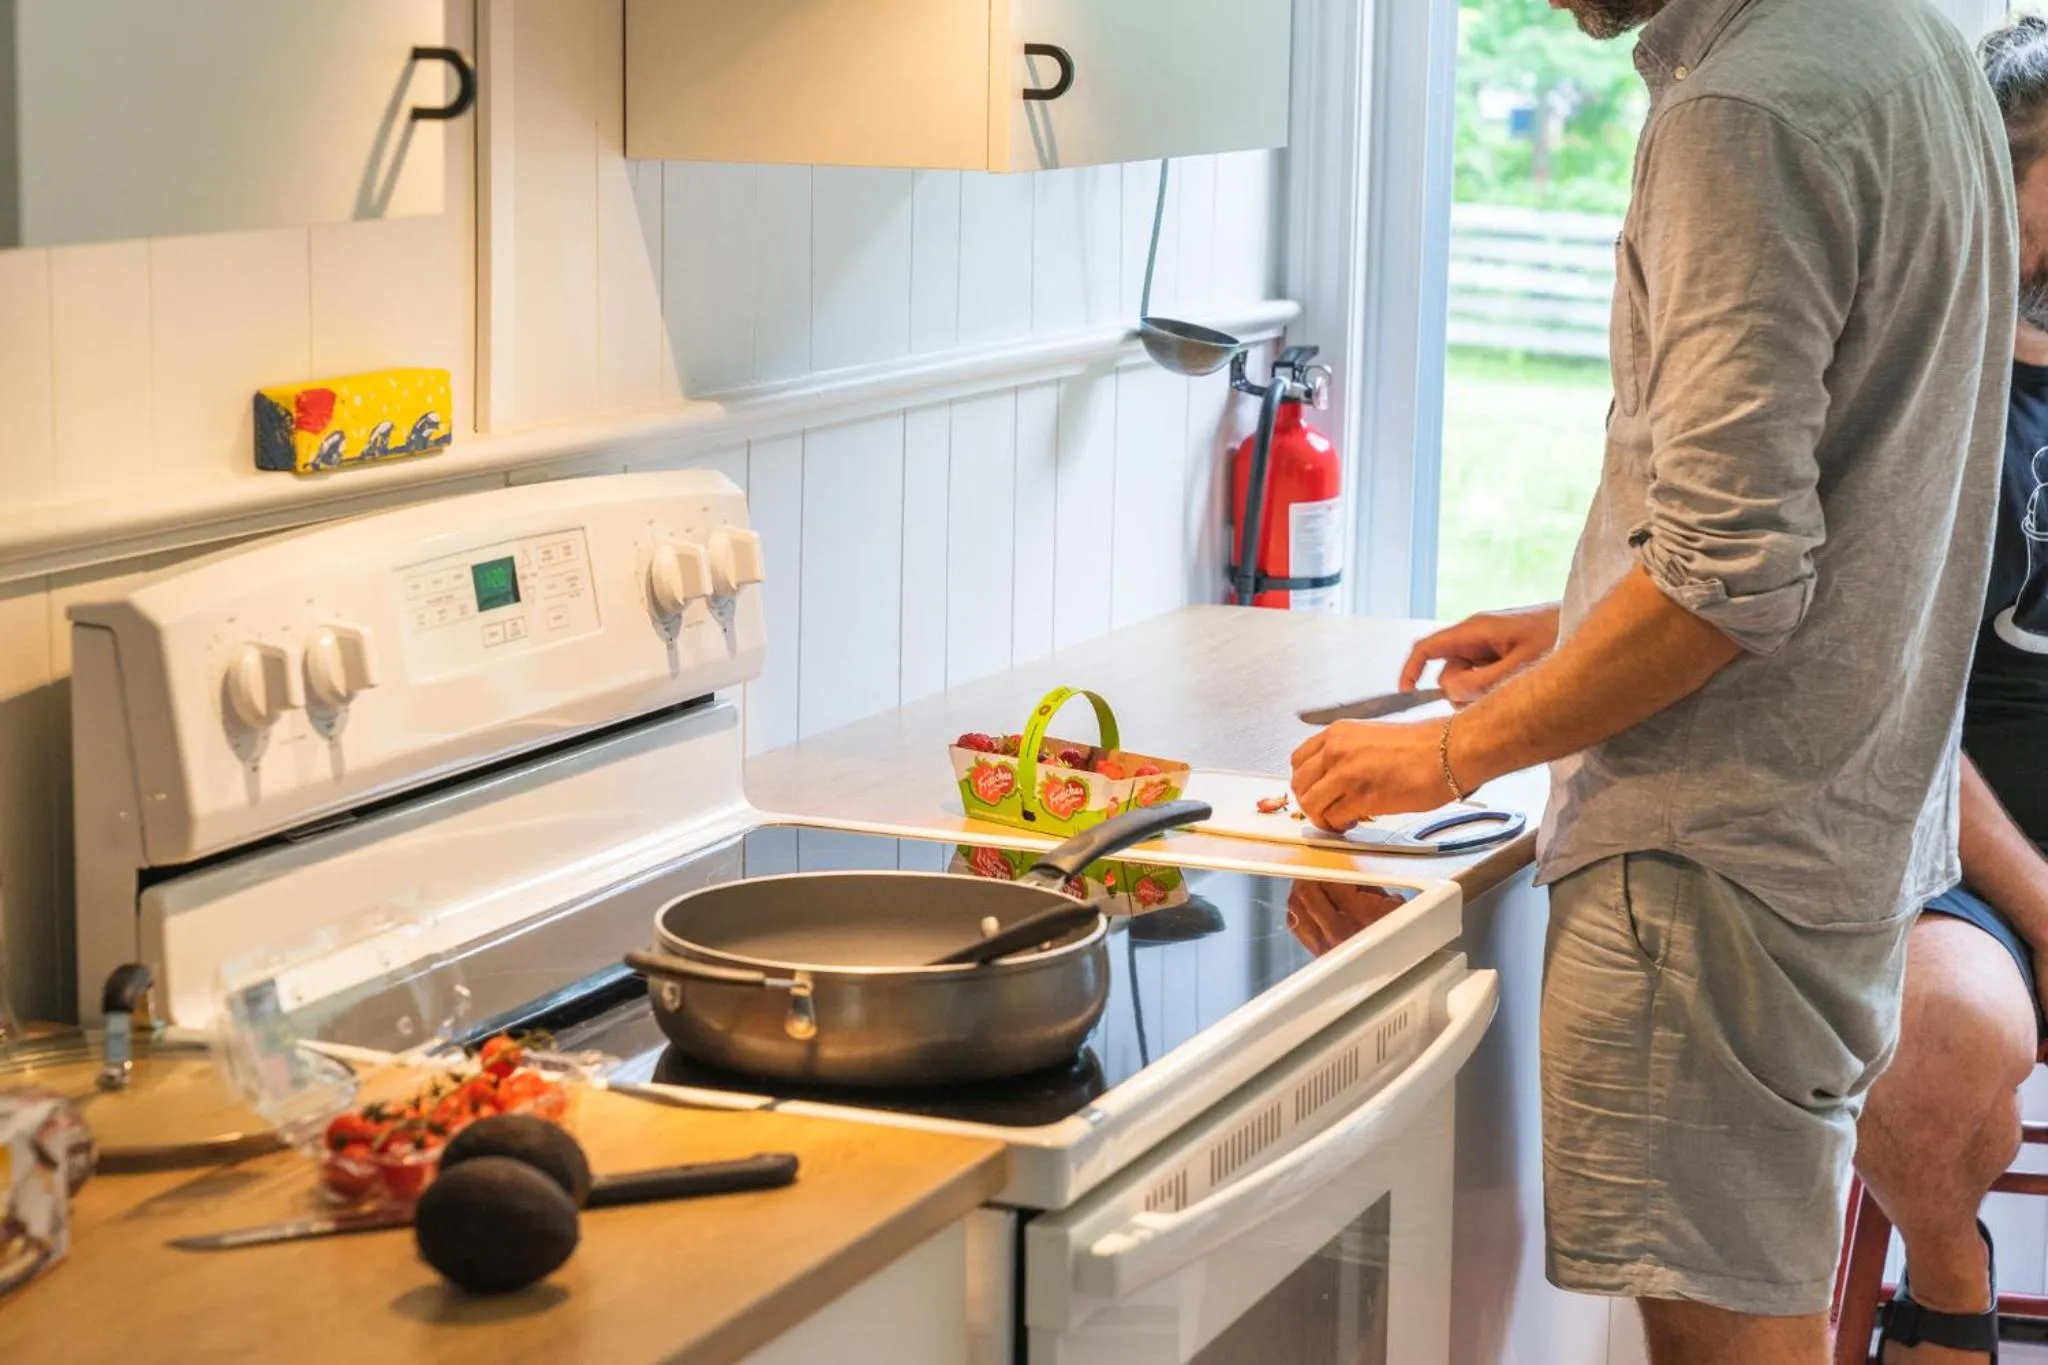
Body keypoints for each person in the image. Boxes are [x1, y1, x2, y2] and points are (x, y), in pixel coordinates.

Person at [1287, 1, 2017, 1361]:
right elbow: (1837, 485)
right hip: (1831, 835)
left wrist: (1449, 758)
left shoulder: (1746, 113)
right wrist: (1576, 626)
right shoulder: (1903, 39)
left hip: (1706, 869)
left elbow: (1724, 583)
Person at [1848, 19, 2048, 1363]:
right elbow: (1890, 692)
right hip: (1956, 854)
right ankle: (1947, 1286)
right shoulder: (1922, 381)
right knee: (1940, 1051)